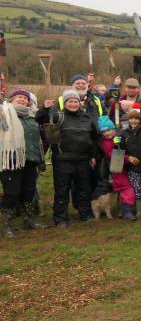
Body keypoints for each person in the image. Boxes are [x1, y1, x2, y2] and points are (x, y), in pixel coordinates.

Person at [36, 89, 99, 228]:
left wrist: (94, 155)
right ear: (65, 103)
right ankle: (61, 219)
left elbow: (94, 138)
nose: (73, 104)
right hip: (62, 160)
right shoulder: (58, 116)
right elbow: (39, 119)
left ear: (79, 103)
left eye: (75, 101)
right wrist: (45, 109)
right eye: (70, 101)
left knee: (84, 189)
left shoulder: (86, 118)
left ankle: (85, 214)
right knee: (62, 190)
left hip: (83, 160)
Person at [1, 89, 47, 237]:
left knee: (29, 191)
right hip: (12, 160)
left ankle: (29, 220)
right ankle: (7, 225)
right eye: (19, 97)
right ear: (12, 99)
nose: (22, 100)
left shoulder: (32, 116)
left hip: (31, 159)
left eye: (25, 98)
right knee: (12, 193)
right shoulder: (4, 113)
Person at [97, 116, 137, 221]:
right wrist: (129, 158)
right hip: (116, 166)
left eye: (109, 129)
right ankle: (127, 212)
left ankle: (123, 210)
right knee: (126, 188)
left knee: (127, 188)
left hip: (124, 166)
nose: (107, 133)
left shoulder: (119, 136)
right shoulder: (106, 143)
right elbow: (114, 156)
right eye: (104, 131)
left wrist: (119, 143)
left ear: (114, 129)